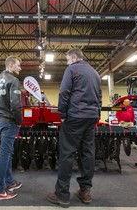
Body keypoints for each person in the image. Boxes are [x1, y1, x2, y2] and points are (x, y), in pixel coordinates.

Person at [46, 48, 102, 208]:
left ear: (74, 57)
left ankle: (62, 195)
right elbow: (99, 96)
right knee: (87, 153)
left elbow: (64, 92)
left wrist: (62, 114)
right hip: (91, 118)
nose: (67, 63)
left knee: (67, 153)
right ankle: (85, 192)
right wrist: (96, 114)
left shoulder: (72, 69)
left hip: (75, 117)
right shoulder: (94, 72)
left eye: (67, 60)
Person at [0, 56, 23, 201]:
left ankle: (9, 182)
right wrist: (19, 121)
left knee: (7, 152)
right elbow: (15, 104)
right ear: (11, 65)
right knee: (5, 154)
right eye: (18, 65)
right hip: (9, 120)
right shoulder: (13, 80)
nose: (20, 68)